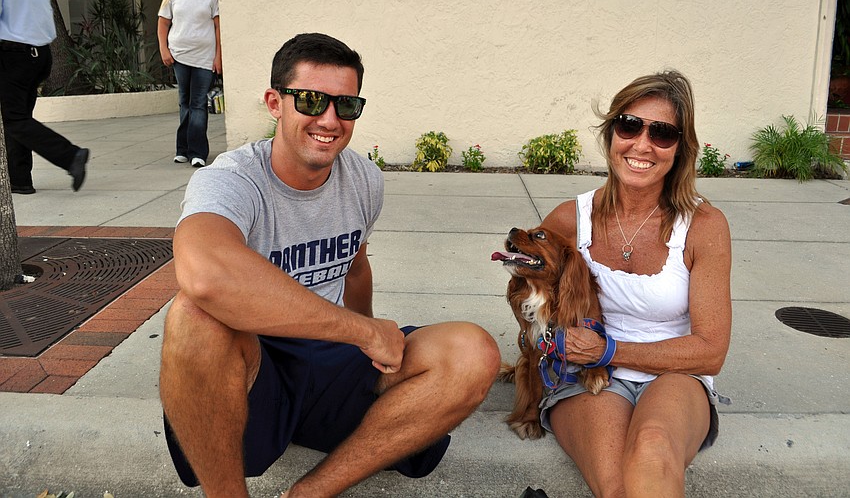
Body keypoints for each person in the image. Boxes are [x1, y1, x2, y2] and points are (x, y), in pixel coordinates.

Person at [159, 32, 501, 497]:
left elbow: (354, 267)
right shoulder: (232, 179)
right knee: (193, 316)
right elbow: (205, 275)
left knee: (473, 352)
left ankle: (311, 492)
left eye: (346, 105)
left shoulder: (362, 178)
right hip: (257, 365)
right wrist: (363, 331)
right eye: (311, 100)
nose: (329, 119)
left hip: (330, 358)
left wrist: (372, 343)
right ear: (275, 103)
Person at [537, 70, 732, 497]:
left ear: (680, 148)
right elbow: (527, 296)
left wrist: (610, 350)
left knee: (653, 448)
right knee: (617, 486)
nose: (642, 145)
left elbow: (711, 350)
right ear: (611, 134)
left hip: (676, 372)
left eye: (662, 133)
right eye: (629, 126)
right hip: (589, 375)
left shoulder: (704, 225)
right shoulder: (570, 220)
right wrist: (547, 332)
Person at [0, 0, 88, 194]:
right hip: (38, 55)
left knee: (14, 119)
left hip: (12, 55)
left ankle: (70, 156)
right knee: (19, 118)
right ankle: (20, 180)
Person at [157, 0, 221, 168]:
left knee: (198, 103)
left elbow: (218, 27)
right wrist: (164, 49)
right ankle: (182, 149)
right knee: (184, 102)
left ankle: (198, 152)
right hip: (179, 56)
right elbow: (163, 23)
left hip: (204, 58)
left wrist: (219, 56)